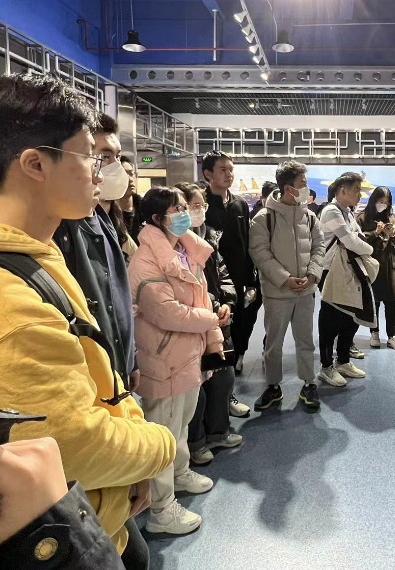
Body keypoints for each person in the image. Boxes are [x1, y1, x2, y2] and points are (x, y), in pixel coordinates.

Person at [0, 74, 176, 568]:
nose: (101, 172)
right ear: (35, 164)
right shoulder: (5, 306)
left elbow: (97, 376)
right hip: (60, 538)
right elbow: (72, 441)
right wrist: (160, 445)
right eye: (90, 156)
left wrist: (130, 463)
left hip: (94, 513)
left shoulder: (38, 254)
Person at [128, 187, 229, 536]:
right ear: (157, 219)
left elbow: (200, 299)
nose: (185, 213)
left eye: (185, 207)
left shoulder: (185, 251)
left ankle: (181, 473)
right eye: (177, 209)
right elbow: (166, 312)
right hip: (164, 356)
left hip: (188, 353)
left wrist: (213, 336)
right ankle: (161, 509)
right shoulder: (145, 261)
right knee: (163, 433)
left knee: (181, 423)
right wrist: (211, 320)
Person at [54, 112, 139, 395]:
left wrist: (130, 360)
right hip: (89, 381)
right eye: (101, 156)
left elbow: (116, 298)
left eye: (117, 156)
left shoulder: (104, 219)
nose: (106, 169)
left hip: (117, 369)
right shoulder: (62, 228)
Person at [176, 181, 247, 464]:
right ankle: (196, 442)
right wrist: (212, 308)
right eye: (193, 206)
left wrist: (227, 301)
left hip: (218, 319)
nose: (199, 211)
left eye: (202, 205)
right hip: (194, 321)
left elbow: (223, 273)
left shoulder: (211, 237)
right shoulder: (174, 245)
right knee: (197, 388)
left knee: (222, 378)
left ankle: (219, 432)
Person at [249, 160, 325, 411]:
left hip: (305, 291)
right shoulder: (264, 218)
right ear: (288, 188)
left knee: (306, 340)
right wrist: (284, 278)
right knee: (274, 343)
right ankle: (273, 386)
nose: (306, 187)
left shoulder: (309, 216)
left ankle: (308, 383)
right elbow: (259, 252)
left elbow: (319, 247)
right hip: (277, 292)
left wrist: (312, 274)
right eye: (302, 183)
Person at [202, 151, 261, 375]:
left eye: (231, 170)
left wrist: (251, 280)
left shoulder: (240, 204)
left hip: (238, 275)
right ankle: (217, 365)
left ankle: (239, 355)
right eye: (222, 170)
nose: (229, 174)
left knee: (244, 319)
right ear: (208, 174)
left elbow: (247, 242)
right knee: (217, 321)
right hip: (211, 277)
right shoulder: (202, 204)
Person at [317, 172, 375, 387]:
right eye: (357, 190)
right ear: (342, 191)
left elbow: (358, 237)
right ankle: (326, 367)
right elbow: (351, 241)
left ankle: (342, 361)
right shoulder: (331, 211)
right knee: (331, 319)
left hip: (349, 270)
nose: (360, 195)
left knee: (350, 317)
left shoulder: (347, 212)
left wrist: (362, 244)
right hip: (330, 271)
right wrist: (369, 250)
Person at [356, 186, 395, 352]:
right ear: (373, 200)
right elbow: (357, 241)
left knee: (391, 302)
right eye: (380, 201)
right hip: (371, 265)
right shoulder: (362, 217)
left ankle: (393, 335)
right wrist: (375, 233)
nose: (382, 205)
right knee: (374, 301)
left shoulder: (389, 217)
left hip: (389, 265)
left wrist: (392, 234)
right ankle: (374, 332)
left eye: (386, 202)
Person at [118, 154, 142, 243]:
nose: (130, 179)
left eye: (131, 174)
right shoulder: (107, 212)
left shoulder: (146, 208)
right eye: (124, 174)